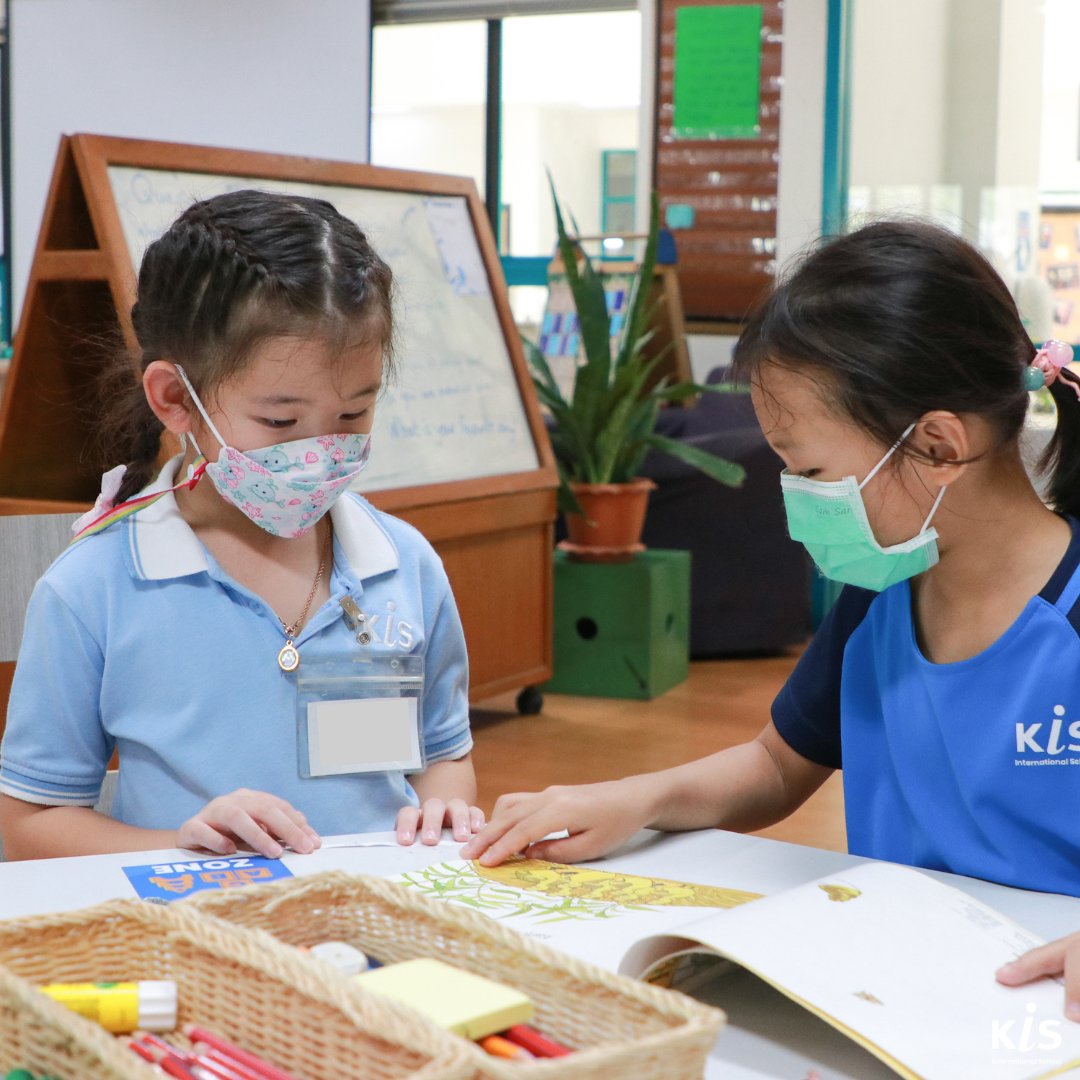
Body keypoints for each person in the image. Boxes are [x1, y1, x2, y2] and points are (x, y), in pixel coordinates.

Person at [461, 219, 1080, 1014]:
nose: (796, 501)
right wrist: (633, 800)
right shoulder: (882, 593)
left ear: (936, 445)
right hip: (899, 997)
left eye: (812, 471)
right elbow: (779, 765)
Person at [0, 190, 482, 860]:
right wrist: (177, 843)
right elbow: (24, 825)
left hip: (378, 926)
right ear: (176, 399)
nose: (320, 449)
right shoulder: (93, 588)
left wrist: (444, 805)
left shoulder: (403, 564)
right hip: (195, 937)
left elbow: (443, 757)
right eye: (280, 423)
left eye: (353, 416)